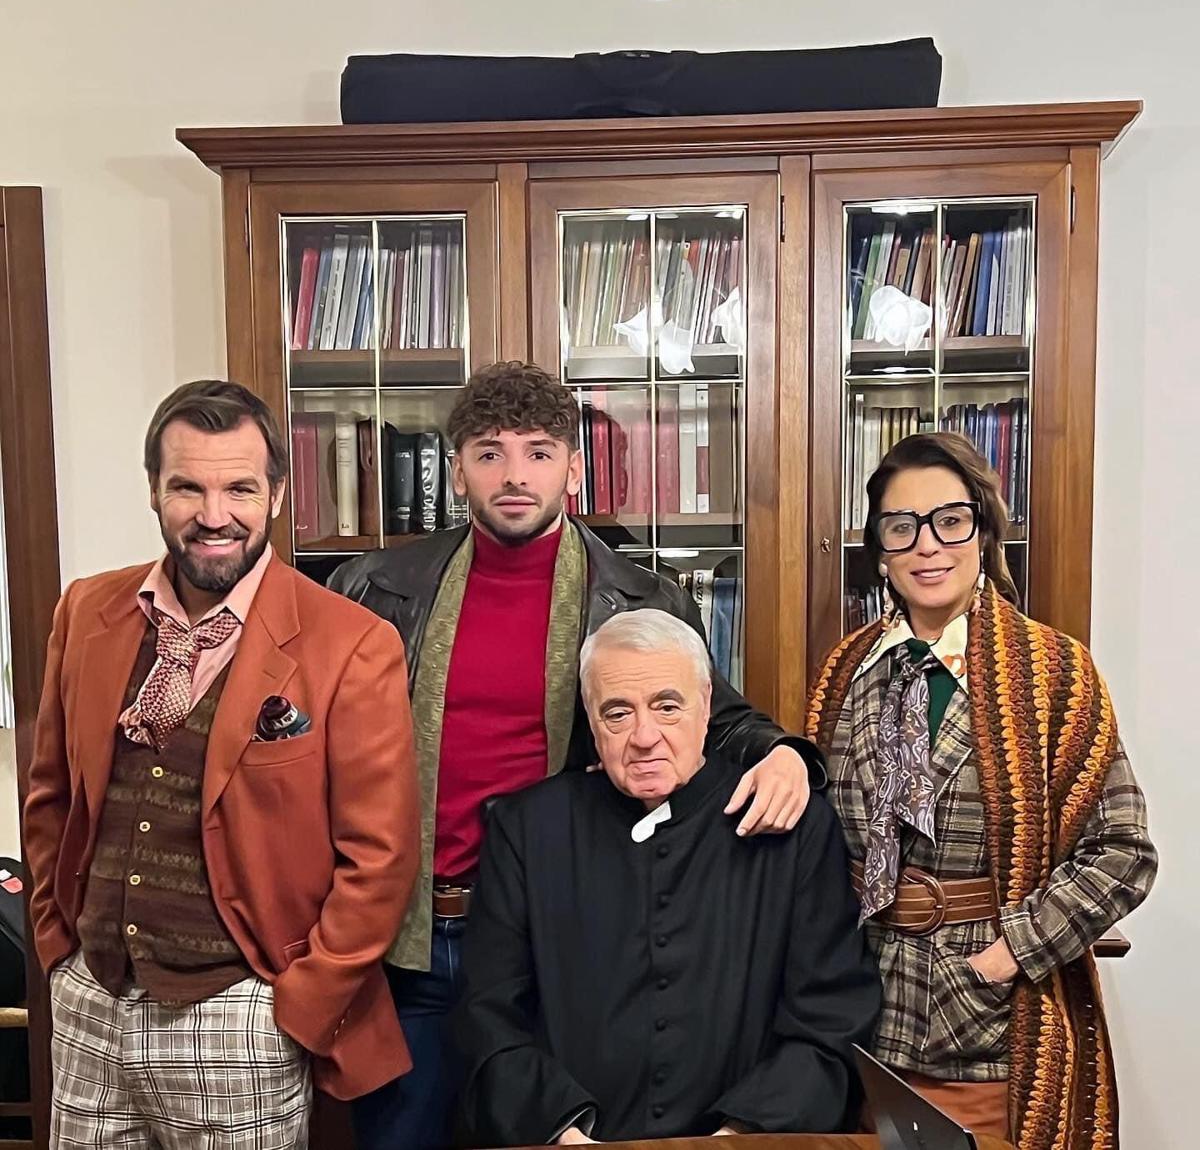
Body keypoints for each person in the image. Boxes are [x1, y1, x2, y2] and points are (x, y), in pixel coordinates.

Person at [329, 361, 822, 1150]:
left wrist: (786, 754)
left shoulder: (644, 598)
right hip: (413, 938)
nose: (514, 475)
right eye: (489, 453)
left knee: (552, 1130)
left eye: (538, 452)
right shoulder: (375, 589)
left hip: (560, 942)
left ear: (574, 468)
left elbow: (709, 713)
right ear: (456, 471)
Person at [23, 380, 420, 1148]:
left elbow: (381, 857)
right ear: (153, 490)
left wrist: (297, 1005)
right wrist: (56, 951)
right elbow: (51, 797)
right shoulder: (85, 611)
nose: (213, 515)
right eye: (187, 488)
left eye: (239, 488)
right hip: (91, 1005)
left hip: (240, 1017)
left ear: (276, 495)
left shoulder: (351, 642)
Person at [806, 432, 1157, 1150]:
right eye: (901, 527)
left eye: (949, 520)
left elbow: (1123, 851)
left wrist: (1007, 955)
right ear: (880, 549)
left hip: (992, 1031)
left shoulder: (1054, 671)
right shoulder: (845, 671)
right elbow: (818, 844)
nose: (927, 546)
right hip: (859, 1020)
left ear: (984, 530)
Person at [454, 608, 880, 1145]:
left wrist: (739, 1136)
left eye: (667, 706)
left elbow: (830, 1018)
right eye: (617, 713)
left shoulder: (791, 827)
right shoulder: (527, 828)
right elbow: (488, 1013)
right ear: (591, 721)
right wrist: (564, 1132)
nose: (644, 736)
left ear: (706, 706)